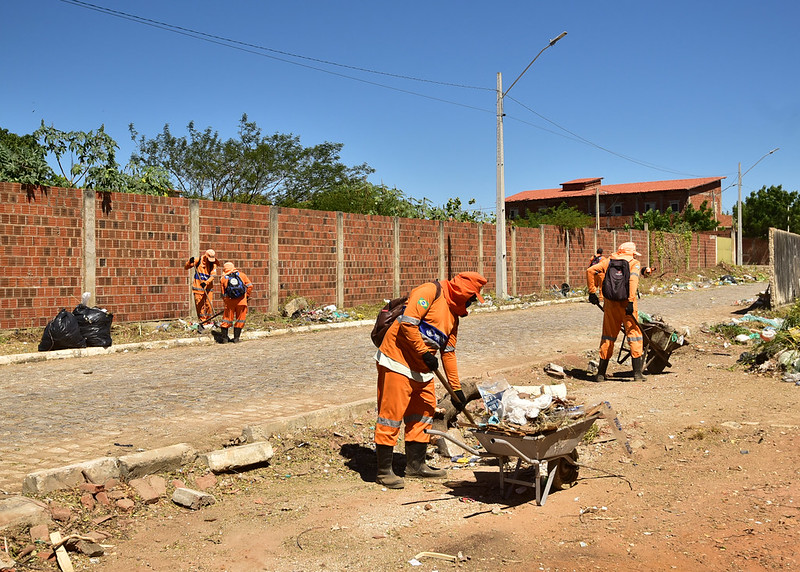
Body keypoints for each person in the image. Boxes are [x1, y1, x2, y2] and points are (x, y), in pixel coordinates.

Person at [373, 271, 487, 489]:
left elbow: (448, 352)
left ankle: (415, 465)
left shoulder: (453, 315)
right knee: (391, 416)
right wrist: (423, 352)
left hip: (422, 368)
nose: (472, 303)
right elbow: (408, 324)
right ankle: (383, 471)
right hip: (397, 360)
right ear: (463, 291)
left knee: (423, 412)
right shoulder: (429, 292)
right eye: (472, 297)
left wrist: (456, 390)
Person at [586, 242, 645, 382]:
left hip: (610, 304)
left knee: (608, 336)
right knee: (634, 335)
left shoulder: (608, 261)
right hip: (627, 305)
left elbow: (590, 271)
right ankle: (637, 374)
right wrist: (630, 301)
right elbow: (633, 281)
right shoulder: (634, 263)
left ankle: (600, 374)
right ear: (632, 252)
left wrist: (592, 292)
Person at [218, 261, 254, 343]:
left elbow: (223, 293)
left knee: (226, 319)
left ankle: (225, 339)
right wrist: (246, 296)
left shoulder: (223, 278)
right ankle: (236, 338)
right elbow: (250, 286)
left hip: (230, 302)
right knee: (240, 319)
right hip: (242, 301)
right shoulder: (242, 275)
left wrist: (226, 301)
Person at [184, 249, 219, 324]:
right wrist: (189, 262)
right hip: (198, 288)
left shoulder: (213, 264)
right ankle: (202, 321)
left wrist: (206, 282)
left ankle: (209, 320)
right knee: (200, 306)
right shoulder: (198, 260)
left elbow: (213, 276)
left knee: (209, 305)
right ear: (206, 257)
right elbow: (186, 267)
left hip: (208, 288)